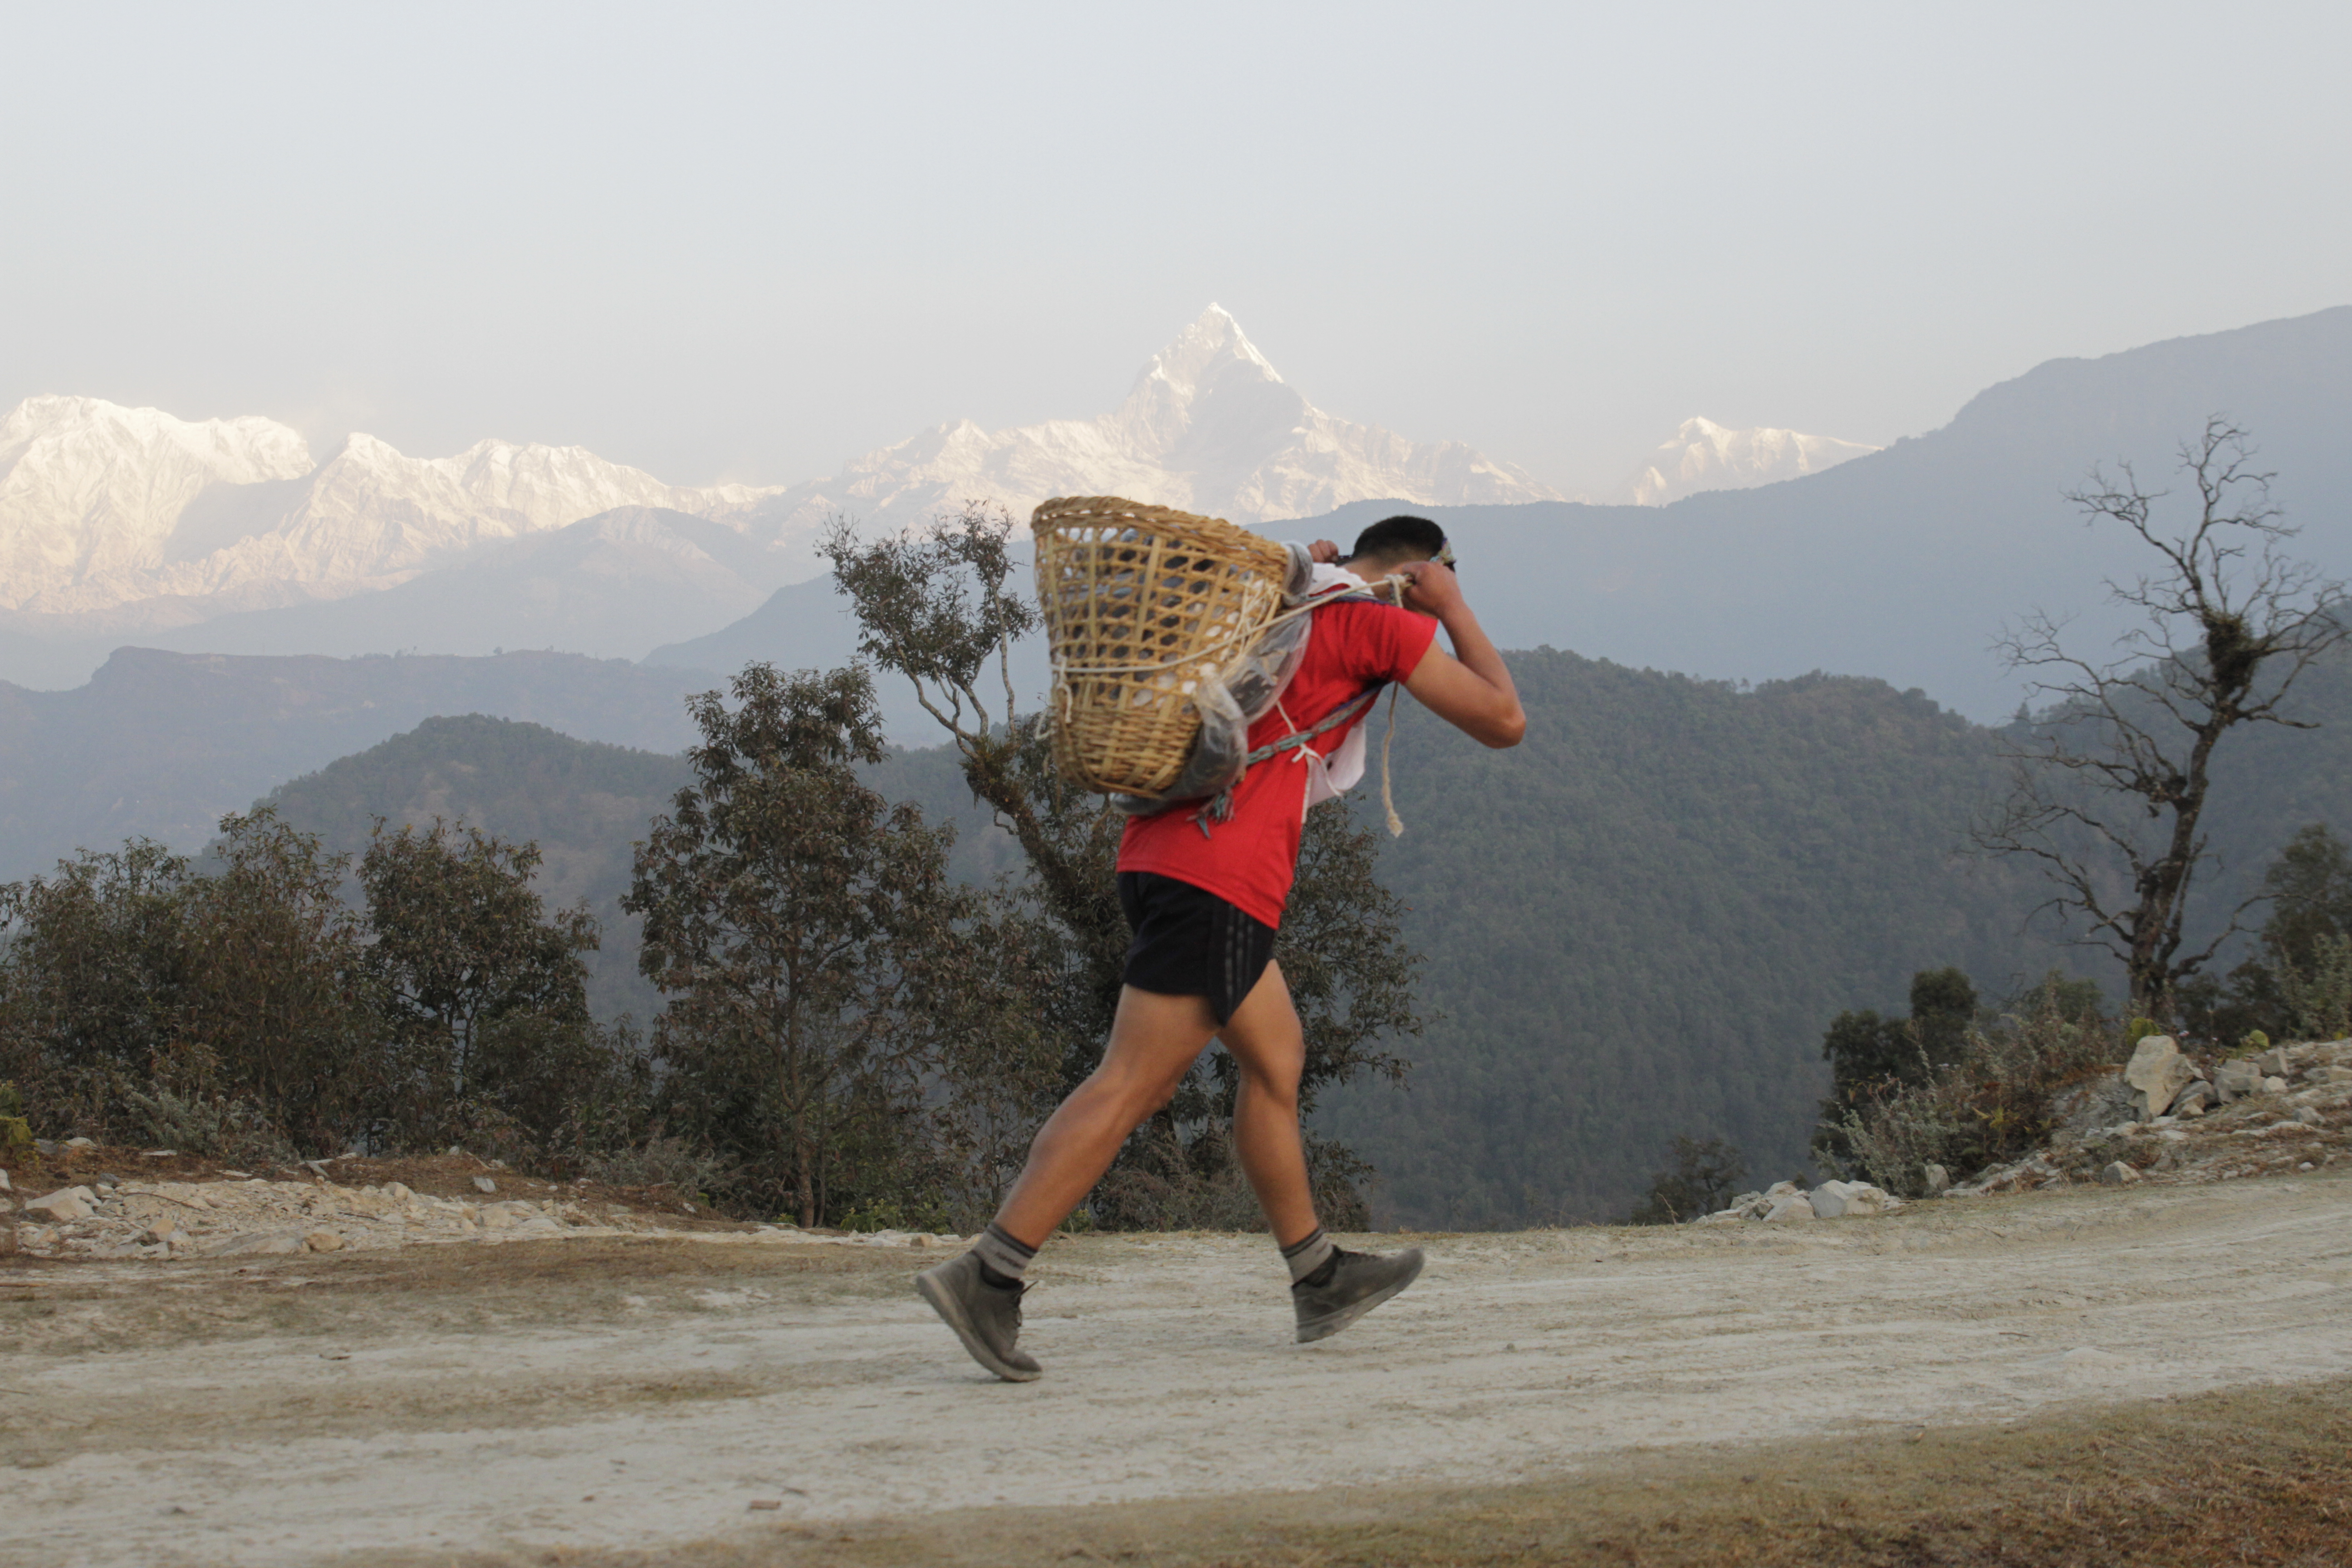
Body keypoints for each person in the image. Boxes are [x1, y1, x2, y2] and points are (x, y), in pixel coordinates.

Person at [916, 514, 1525, 1381]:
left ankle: (1318, 1277)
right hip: (1221, 879)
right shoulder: (1376, 622)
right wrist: (1456, 610)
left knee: (1276, 1059)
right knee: (1133, 1080)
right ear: (1417, 571)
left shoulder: (1271, 609)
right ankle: (990, 1274)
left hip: (1158, 856)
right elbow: (1504, 719)